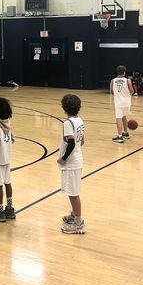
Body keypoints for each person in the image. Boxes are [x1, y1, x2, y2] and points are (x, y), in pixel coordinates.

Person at [58, 94, 85, 234]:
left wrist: (63, 158)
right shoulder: (79, 120)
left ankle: (78, 223)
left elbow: (72, 142)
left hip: (72, 162)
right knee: (71, 191)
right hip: (78, 158)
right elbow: (82, 141)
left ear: (64, 108)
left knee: (74, 193)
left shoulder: (68, 123)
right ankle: (74, 215)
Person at [110, 65, 133, 143]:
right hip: (127, 102)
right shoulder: (128, 80)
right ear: (124, 72)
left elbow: (112, 91)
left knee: (118, 118)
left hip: (119, 102)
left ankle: (120, 136)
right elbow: (132, 91)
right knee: (124, 116)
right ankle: (125, 133)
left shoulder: (113, 81)